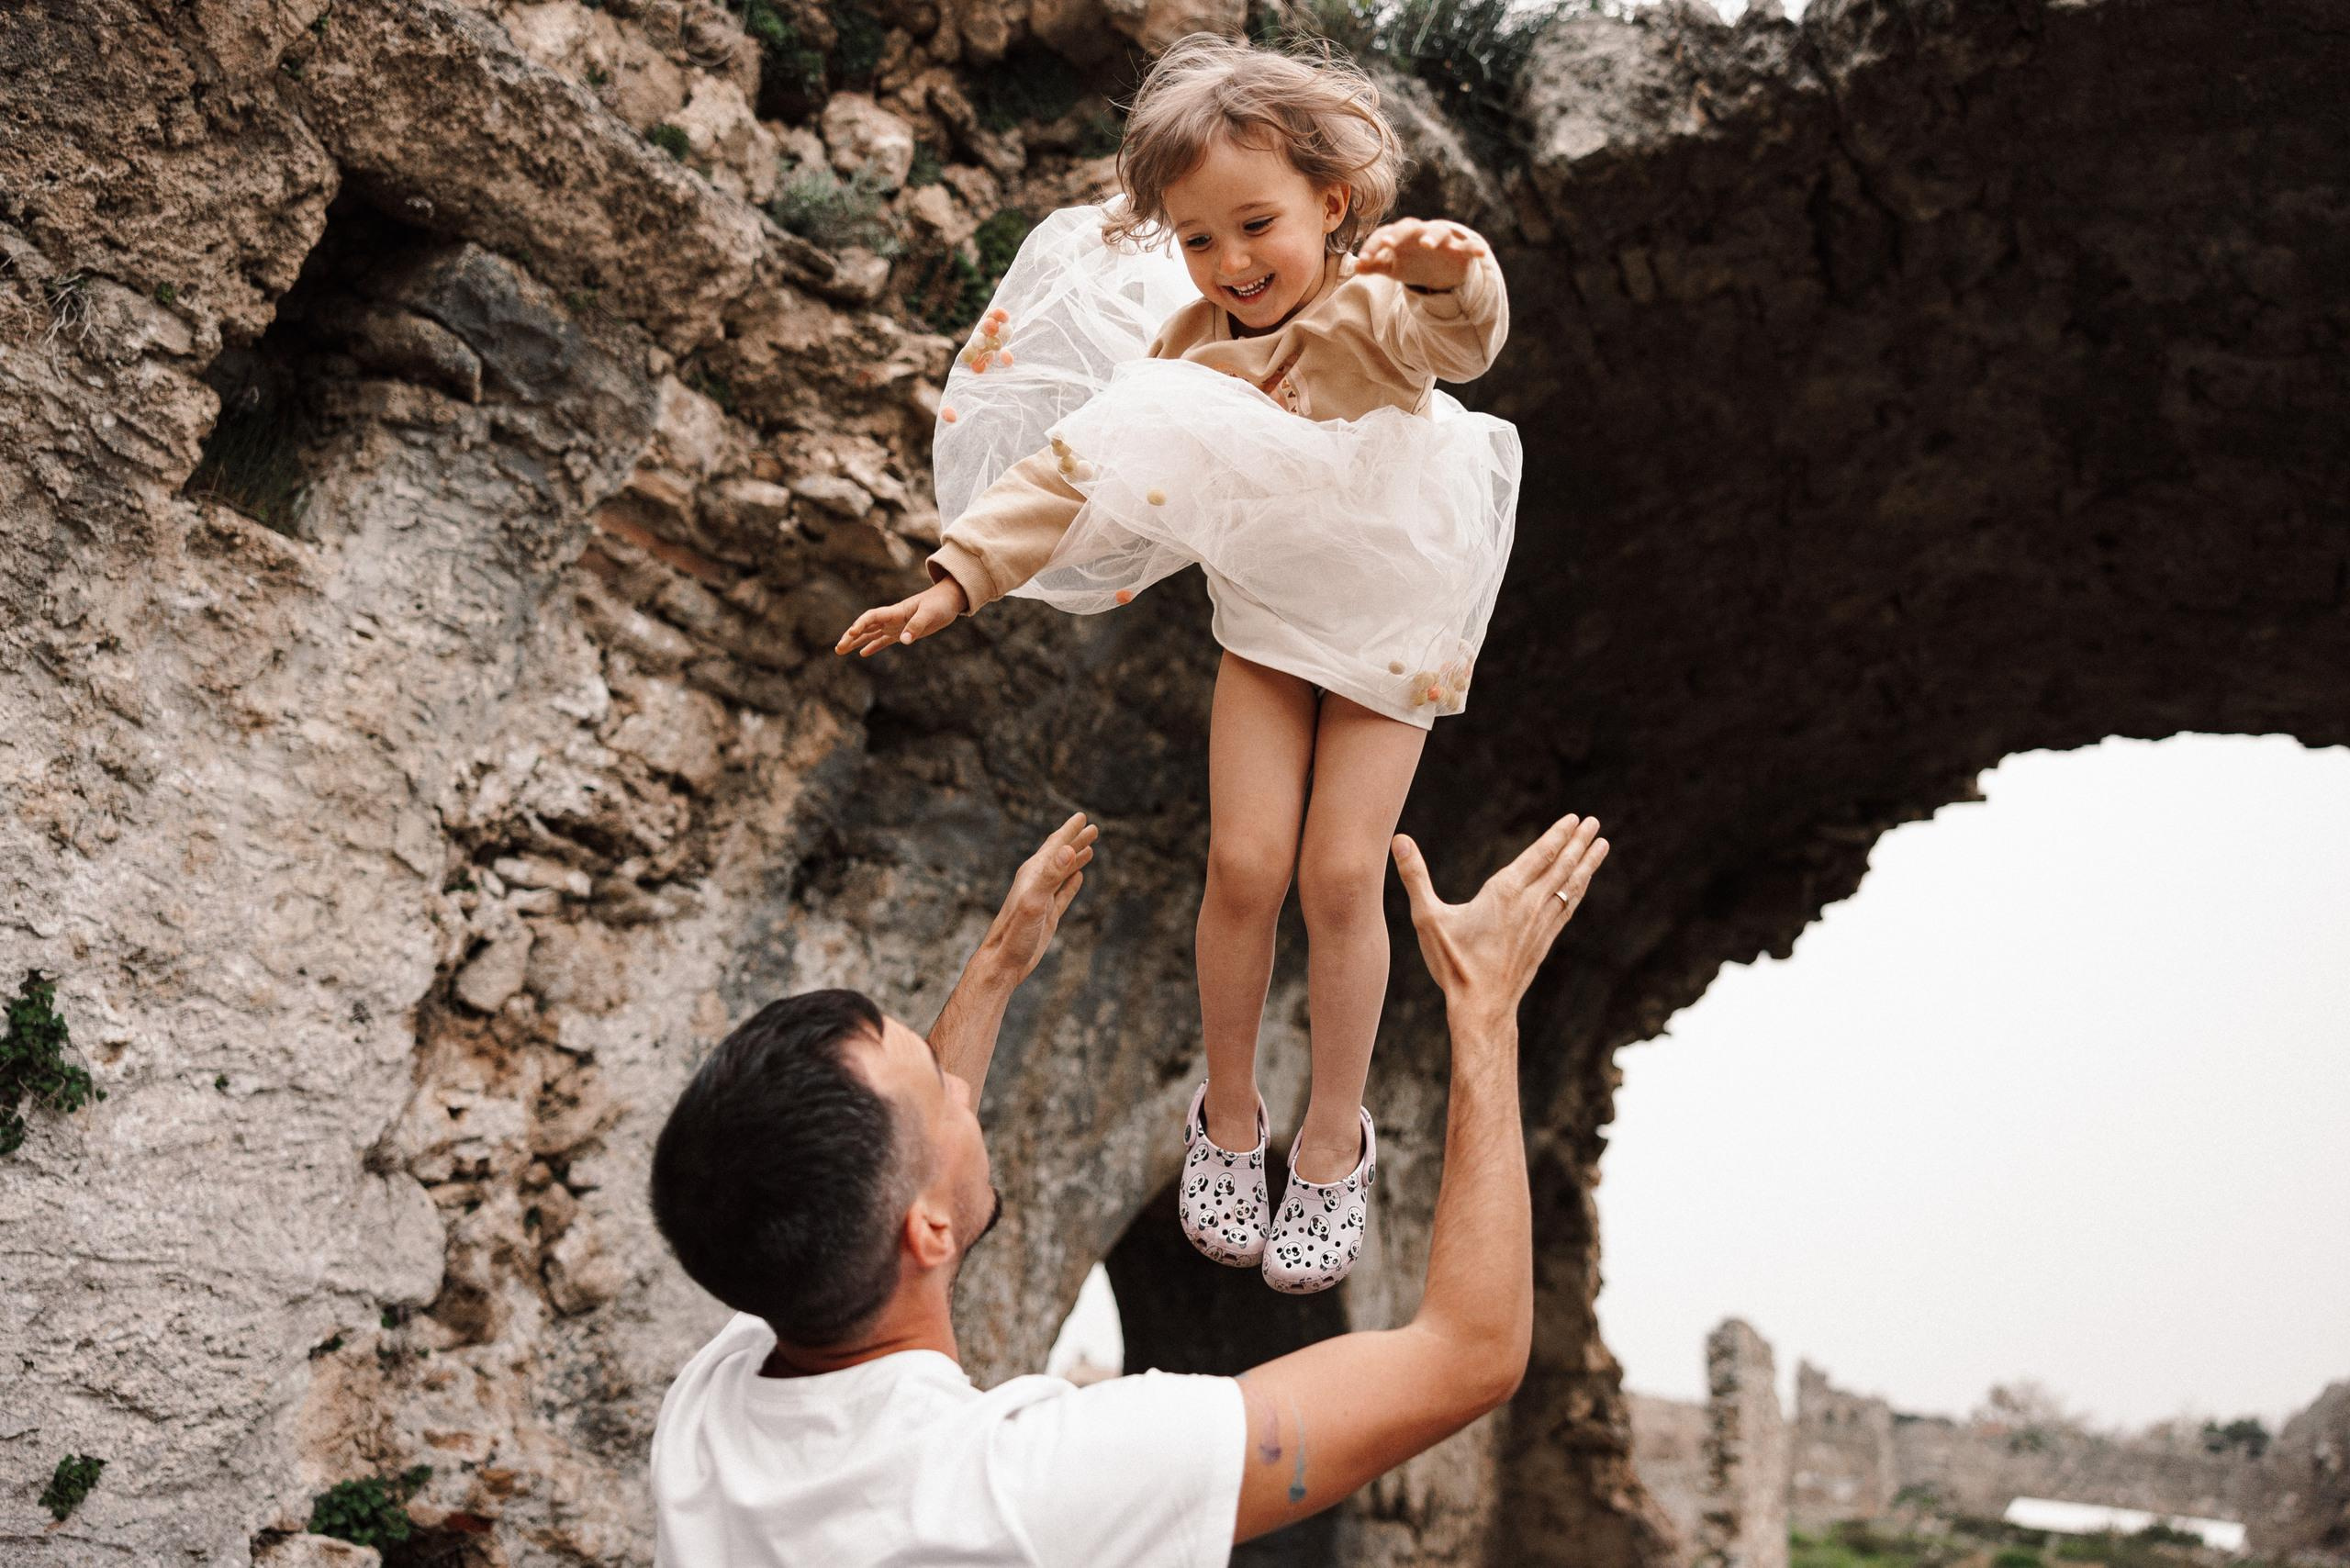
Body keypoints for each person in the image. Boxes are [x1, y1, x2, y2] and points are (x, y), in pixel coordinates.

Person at [833, 32, 1521, 1294]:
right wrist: (955, 577)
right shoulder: (1187, 348)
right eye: (1200, 239)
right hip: (1266, 617)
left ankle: (1331, 1140)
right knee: (1244, 864)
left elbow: (1462, 340)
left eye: (1257, 226)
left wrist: (1452, 269)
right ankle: (1230, 1115)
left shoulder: (1379, 302)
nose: (1233, 262)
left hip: (1389, 622)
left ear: (1332, 204)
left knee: (1338, 875)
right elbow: (1077, 468)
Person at [645, 807, 1608, 1566]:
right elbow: (1469, 1354)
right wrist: (1484, 1010)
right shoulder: (1033, 1486)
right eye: (941, 1096)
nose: (963, 1089)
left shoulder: (716, 1405)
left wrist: (996, 969)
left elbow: (874, 1184)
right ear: (926, 1231)